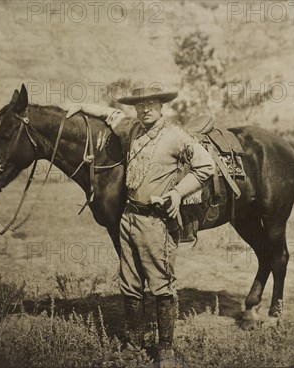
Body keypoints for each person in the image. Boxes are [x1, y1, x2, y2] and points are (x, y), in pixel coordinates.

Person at [66, 86, 215, 367]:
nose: (145, 109)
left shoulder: (174, 135)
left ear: (161, 106)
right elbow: (111, 115)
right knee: (131, 285)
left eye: (151, 104)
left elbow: (205, 165)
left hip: (156, 222)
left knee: (162, 288)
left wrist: (178, 193)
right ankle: (133, 346)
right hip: (129, 218)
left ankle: (166, 352)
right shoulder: (132, 130)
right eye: (140, 105)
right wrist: (83, 107)